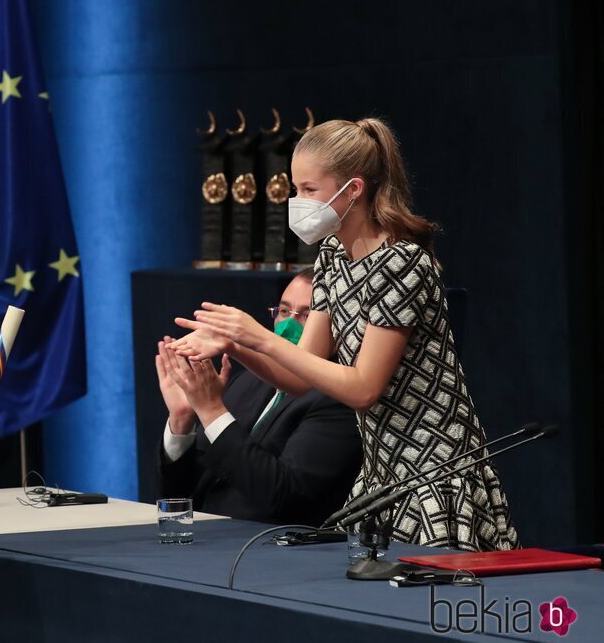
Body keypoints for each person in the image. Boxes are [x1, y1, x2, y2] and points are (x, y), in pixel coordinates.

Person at [170, 118, 519, 552]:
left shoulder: (402, 263)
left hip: (431, 470)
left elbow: (363, 389)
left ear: (353, 189)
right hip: (380, 473)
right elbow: (298, 380)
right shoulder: (333, 255)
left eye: (309, 190)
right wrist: (235, 345)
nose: (297, 202)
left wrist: (258, 336)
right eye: (295, 189)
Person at [156, 270, 361, 526]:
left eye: (307, 315)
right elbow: (179, 496)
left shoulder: (338, 398)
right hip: (203, 539)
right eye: (285, 312)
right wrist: (182, 421)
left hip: (269, 551)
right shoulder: (249, 380)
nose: (289, 324)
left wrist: (211, 412)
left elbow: (283, 496)